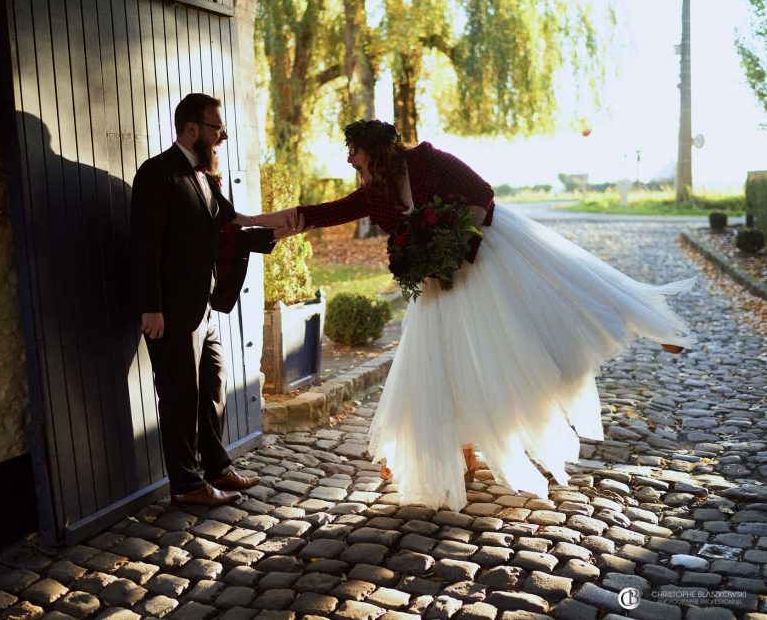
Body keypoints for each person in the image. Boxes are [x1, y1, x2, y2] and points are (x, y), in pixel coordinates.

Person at [237, 119, 696, 511]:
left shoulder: (428, 161)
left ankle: (642, 321)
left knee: (554, 306)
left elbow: (482, 193)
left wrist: (462, 245)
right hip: (440, 281)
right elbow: (313, 214)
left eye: (355, 154)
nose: (351, 163)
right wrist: (246, 221)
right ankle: (463, 450)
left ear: (377, 151)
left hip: (486, 255)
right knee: (449, 365)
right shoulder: (372, 194)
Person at [127, 93, 306, 507]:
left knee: (212, 386)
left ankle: (216, 467)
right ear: (191, 129)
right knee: (178, 395)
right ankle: (187, 485)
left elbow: (233, 228)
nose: (222, 137)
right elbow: (144, 246)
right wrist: (150, 305)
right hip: (169, 311)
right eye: (215, 128)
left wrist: (282, 229)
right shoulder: (158, 174)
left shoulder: (206, 177)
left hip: (202, 309)